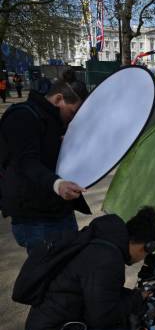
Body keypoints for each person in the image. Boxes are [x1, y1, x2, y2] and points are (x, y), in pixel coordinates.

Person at [20, 206, 155, 330]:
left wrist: (134, 298)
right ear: (145, 246)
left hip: (51, 327)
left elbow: (100, 297)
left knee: (125, 313)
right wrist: (137, 300)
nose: (142, 259)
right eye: (146, 254)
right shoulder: (108, 260)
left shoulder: (101, 242)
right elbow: (103, 316)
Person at [0, 69, 91, 253]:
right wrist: (58, 184)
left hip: (58, 210)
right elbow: (26, 162)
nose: (73, 119)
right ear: (58, 99)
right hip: (35, 218)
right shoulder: (22, 117)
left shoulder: (54, 121)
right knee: (48, 274)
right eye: (72, 113)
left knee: (67, 268)